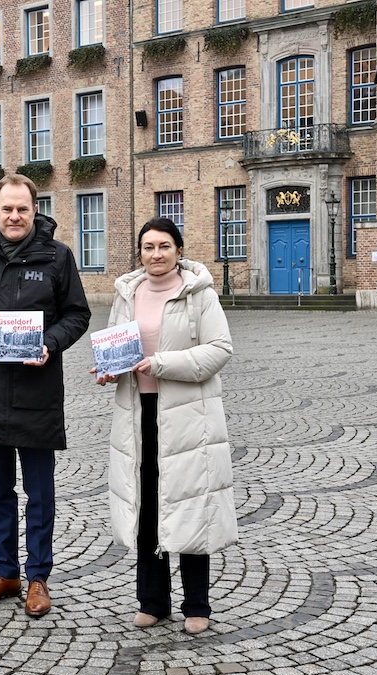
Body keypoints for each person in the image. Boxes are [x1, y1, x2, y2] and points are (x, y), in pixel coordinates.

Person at [0, 174, 91, 618]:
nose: (14, 216)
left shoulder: (57, 256)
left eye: (22, 209)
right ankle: (5, 574)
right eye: (7, 209)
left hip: (37, 390)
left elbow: (77, 314)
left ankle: (38, 577)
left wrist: (51, 342)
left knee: (40, 493)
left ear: (34, 210)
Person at [94, 217, 237, 634]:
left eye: (164, 247)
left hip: (189, 417)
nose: (156, 255)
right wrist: (109, 370)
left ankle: (197, 605)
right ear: (139, 252)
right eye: (148, 247)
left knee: (191, 504)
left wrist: (161, 364)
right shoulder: (127, 293)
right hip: (139, 414)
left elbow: (219, 350)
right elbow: (117, 345)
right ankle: (152, 601)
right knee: (147, 506)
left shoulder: (199, 294)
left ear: (179, 251)